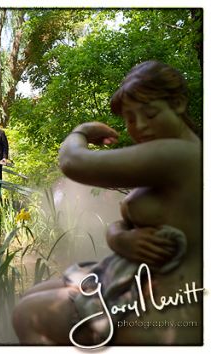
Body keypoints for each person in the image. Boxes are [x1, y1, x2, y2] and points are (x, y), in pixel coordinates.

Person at [12, 61, 201, 346]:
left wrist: (82, 132)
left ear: (178, 103)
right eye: (129, 118)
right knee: (33, 294)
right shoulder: (160, 157)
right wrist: (120, 238)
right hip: (129, 276)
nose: (139, 127)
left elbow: (73, 162)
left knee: (26, 314)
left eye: (149, 113)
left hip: (171, 305)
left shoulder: (181, 154)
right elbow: (126, 222)